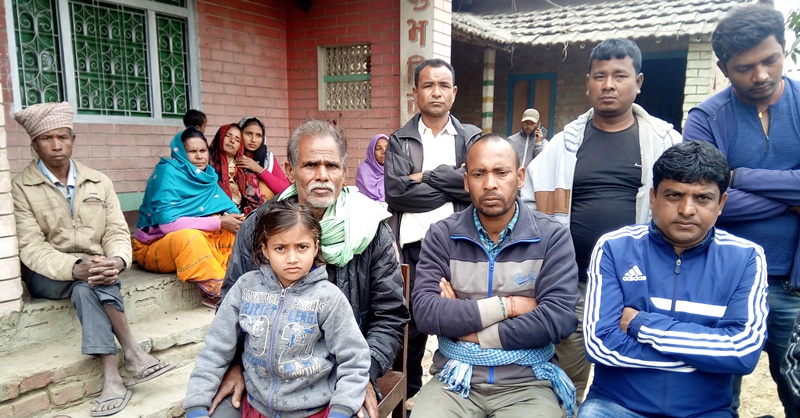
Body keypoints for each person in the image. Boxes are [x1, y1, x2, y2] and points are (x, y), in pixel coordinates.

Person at [208, 120, 409, 418]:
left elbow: (389, 316)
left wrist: (362, 374)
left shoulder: (371, 229)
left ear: (343, 172)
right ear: (290, 171)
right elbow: (230, 306)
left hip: (344, 371)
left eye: (332, 166)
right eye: (311, 165)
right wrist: (234, 364)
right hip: (262, 372)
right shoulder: (258, 226)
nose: (322, 175)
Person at [520, 38, 681, 399]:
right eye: (600, 76)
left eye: (619, 76)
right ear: (588, 83)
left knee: (631, 382)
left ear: (638, 82)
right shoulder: (563, 144)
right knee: (565, 381)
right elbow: (528, 201)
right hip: (574, 283)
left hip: (640, 286)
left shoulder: (664, 142)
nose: (608, 85)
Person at [580, 140, 769, 417]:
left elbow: (742, 352)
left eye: (702, 198)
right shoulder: (615, 247)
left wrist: (641, 324)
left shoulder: (746, 257)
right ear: (653, 197)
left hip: (705, 411)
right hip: (616, 405)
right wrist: (706, 357)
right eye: (673, 195)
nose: (686, 209)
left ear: (721, 203)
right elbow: (600, 345)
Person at [11, 102, 174, 416]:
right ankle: (133, 352)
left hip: (94, 268)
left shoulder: (99, 181)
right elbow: (31, 247)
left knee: (88, 286)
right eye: (47, 138)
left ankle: (112, 377)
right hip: (47, 273)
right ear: (34, 144)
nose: (56, 145)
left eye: (63, 137)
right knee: (86, 280)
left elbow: (115, 230)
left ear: (73, 139)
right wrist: (74, 268)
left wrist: (118, 261)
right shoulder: (21, 188)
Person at [682, 5, 800, 416]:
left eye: (770, 60)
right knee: (713, 400)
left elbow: (721, 197)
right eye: (745, 68)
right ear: (723, 69)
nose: (761, 75)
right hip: (723, 285)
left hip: (795, 287)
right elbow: (699, 201)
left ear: (784, 49)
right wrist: (791, 197)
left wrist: (740, 177)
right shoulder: (706, 119)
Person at [411, 134, 579, 418]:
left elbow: (558, 320)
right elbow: (427, 313)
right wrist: (508, 306)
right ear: (466, 182)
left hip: (528, 383)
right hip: (455, 380)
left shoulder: (551, 237)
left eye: (501, 172)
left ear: (520, 177)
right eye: (479, 174)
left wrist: (466, 328)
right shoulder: (442, 235)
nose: (490, 183)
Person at [183, 200, 371, 418]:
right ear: (265, 250)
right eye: (280, 248)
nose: (292, 259)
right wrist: (196, 404)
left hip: (316, 409)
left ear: (315, 248)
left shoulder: (328, 297)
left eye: (302, 247)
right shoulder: (246, 288)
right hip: (255, 403)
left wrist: (342, 408)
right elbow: (216, 348)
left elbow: (354, 359)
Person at [384, 58, 482, 399]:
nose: (436, 92)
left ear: (454, 92)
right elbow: (397, 193)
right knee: (410, 328)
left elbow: (474, 186)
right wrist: (454, 181)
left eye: (443, 85)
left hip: (461, 247)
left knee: (458, 321)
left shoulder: (470, 137)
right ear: (416, 93)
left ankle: (453, 394)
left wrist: (427, 175)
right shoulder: (400, 139)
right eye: (428, 85)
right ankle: (409, 395)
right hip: (413, 250)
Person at [133, 127, 245, 305]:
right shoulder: (167, 174)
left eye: (203, 151)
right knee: (190, 237)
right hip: (155, 245)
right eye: (192, 151)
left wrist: (236, 220)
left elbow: (229, 209)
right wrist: (219, 221)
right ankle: (216, 292)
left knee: (237, 232)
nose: (199, 157)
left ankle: (241, 283)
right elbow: (167, 225)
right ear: (181, 153)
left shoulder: (207, 176)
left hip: (198, 238)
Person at [209, 124, 262, 215]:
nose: (232, 141)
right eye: (228, 136)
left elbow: (255, 200)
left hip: (240, 216)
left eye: (237, 140)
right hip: (213, 215)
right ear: (220, 137)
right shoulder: (207, 164)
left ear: (240, 146)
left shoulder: (244, 168)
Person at [234, 116, 290, 201]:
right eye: (249, 134)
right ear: (239, 134)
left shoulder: (267, 158)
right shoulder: (231, 155)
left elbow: (285, 190)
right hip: (232, 206)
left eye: (258, 136)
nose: (253, 140)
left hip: (262, 207)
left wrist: (258, 169)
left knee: (263, 187)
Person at [356, 134, 389, 202]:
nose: (384, 151)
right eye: (378, 148)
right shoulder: (364, 170)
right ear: (372, 152)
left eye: (387, 147)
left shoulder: (395, 168)